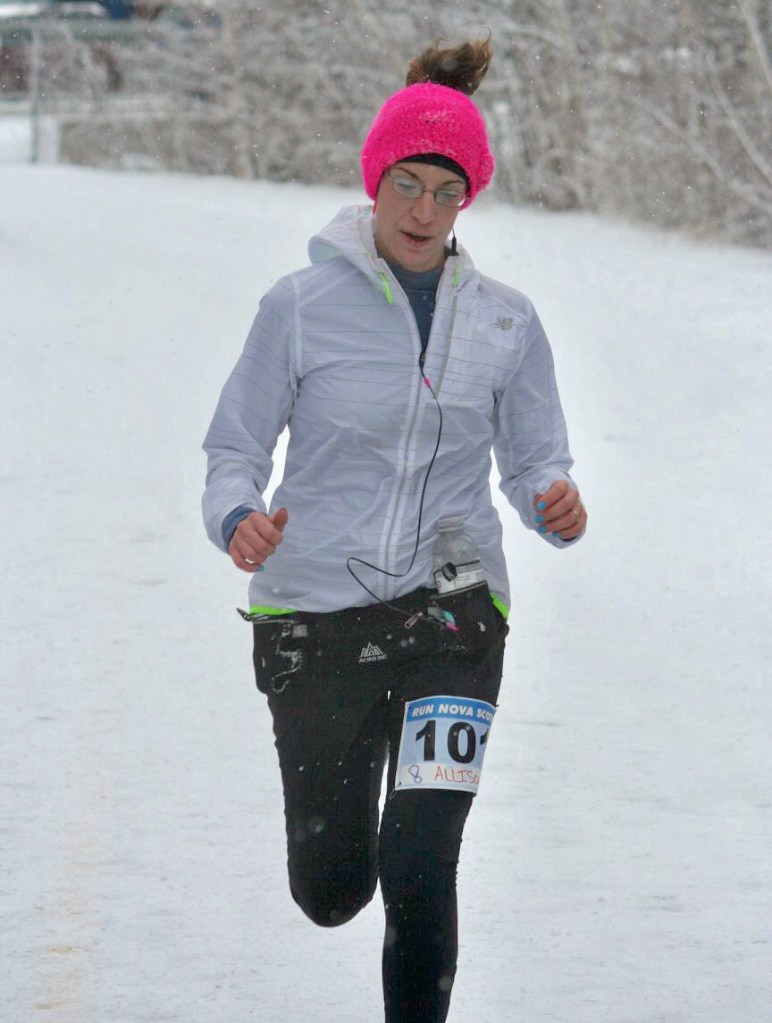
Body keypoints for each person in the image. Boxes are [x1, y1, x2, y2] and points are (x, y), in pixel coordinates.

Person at [202, 37, 586, 1023]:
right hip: (316, 617)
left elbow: (535, 458)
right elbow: (235, 447)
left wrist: (552, 500)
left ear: (467, 203)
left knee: (420, 861)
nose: (423, 211)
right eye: (407, 185)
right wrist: (238, 518)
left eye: (446, 193)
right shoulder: (299, 309)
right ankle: (357, 753)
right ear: (374, 182)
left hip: (454, 615)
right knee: (332, 889)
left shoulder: (505, 323)